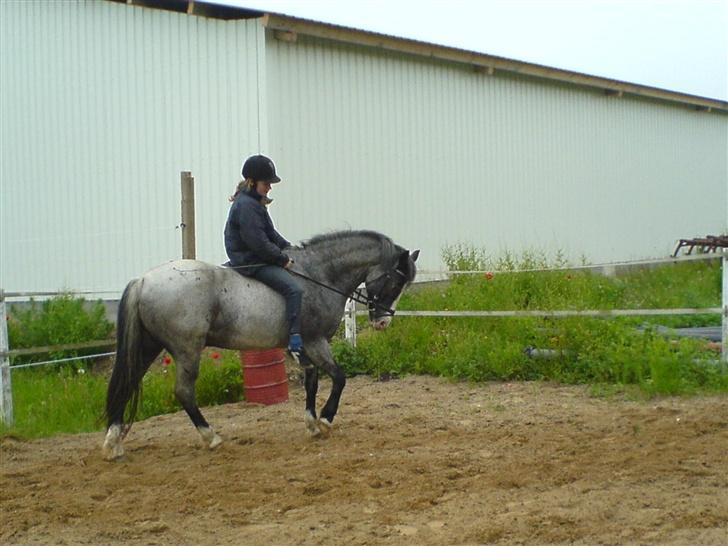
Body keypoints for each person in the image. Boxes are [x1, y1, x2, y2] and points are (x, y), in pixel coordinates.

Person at [224, 154, 304, 358]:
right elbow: (258, 243)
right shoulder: (246, 206)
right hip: (250, 262)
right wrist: (282, 259)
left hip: (255, 257)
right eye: (266, 183)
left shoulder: (254, 203)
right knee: (294, 289)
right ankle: (293, 336)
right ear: (252, 181)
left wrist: (288, 248)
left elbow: (271, 234)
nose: (269, 187)